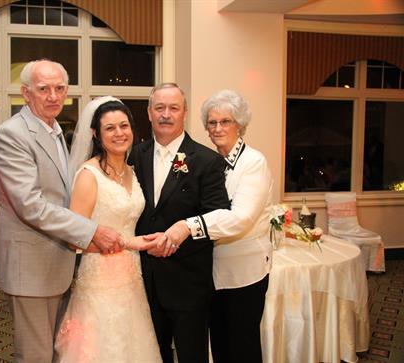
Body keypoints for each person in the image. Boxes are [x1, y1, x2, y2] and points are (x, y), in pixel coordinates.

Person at [0, 60, 122, 363]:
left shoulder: (55, 129)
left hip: (56, 263)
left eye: (60, 88)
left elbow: (62, 193)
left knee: (56, 351)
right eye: (43, 89)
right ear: (25, 92)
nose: (53, 96)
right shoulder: (13, 134)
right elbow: (30, 205)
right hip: (31, 267)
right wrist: (90, 231)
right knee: (36, 355)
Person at [164, 89, 273, 363]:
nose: (217, 128)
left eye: (225, 121)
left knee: (242, 348)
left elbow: (241, 218)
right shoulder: (208, 162)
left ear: (240, 125)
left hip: (244, 274)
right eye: (212, 123)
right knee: (221, 346)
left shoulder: (253, 163)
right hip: (212, 273)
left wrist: (188, 226)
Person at [54, 97, 162, 363]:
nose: (119, 133)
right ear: (96, 134)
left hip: (132, 280)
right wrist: (128, 243)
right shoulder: (89, 176)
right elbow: (73, 240)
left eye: (124, 126)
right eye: (110, 128)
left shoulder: (132, 172)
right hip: (99, 282)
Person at [129, 83, 230, 363]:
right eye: (159, 108)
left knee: (191, 355)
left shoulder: (207, 161)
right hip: (143, 277)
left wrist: (179, 235)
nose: (166, 114)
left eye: (174, 108)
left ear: (184, 113)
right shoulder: (135, 155)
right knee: (151, 353)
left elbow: (218, 214)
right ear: (149, 113)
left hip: (187, 279)